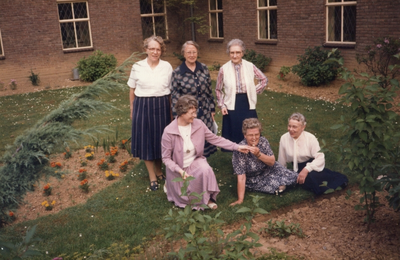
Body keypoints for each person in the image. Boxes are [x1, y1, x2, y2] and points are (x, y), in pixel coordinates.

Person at [162, 95, 252, 210]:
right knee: (184, 198)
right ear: (182, 112)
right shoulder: (169, 132)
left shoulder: (199, 124)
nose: (195, 115)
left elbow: (216, 139)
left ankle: (207, 198)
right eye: (192, 113)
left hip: (194, 162)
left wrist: (236, 147)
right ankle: (171, 185)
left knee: (205, 168)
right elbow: (165, 158)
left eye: (195, 112)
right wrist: (180, 171)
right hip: (177, 170)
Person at [127, 35, 173, 191]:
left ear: (162, 51)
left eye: (158, 49)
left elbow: (171, 91)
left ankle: (160, 170)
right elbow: (132, 89)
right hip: (143, 105)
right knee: (147, 140)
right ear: (146, 49)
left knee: (162, 140)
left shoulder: (167, 66)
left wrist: (172, 111)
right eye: (152, 48)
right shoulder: (137, 66)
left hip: (162, 105)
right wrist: (132, 109)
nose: (155, 52)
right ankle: (152, 176)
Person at [230, 118, 298, 206]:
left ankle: (284, 184)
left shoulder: (263, 141)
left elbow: (272, 162)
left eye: (257, 134)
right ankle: (281, 186)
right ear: (245, 135)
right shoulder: (240, 150)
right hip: (254, 178)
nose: (254, 138)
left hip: (270, 168)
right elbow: (241, 177)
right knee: (277, 186)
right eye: (251, 135)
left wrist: (259, 154)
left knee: (295, 177)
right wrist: (240, 200)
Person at [278, 113, 349, 195]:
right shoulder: (284, 138)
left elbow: (320, 158)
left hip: (311, 166)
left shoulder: (310, 138)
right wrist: (282, 176)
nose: (290, 129)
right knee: (296, 181)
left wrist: (306, 169)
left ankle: (339, 180)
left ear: (303, 127)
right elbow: (281, 161)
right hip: (295, 168)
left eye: (294, 127)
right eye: (289, 126)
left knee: (311, 179)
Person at [216, 39, 268, 147]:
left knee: (251, 132)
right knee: (235, 134)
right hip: (231, 105)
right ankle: (237, 158)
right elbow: (218, 89)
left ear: (242, 53)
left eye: (238, 52)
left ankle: (252, 156)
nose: (235, 56)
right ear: (229, 53)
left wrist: (253, 91)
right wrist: (222, 105)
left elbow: (264, 80)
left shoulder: (250, 66)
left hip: (247, 103)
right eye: (232, 53)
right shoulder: (223, 69)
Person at [171, 41, 217, 157]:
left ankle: (203, 165)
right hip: (188, 113)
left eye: (194, 52)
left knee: (204, 137)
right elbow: (175, 96)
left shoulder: (204, 69)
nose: (192, 55)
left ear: (197, 53)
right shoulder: (177, 73)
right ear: (184, 54)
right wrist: (178, 115)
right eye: (188, 52)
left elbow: (208, 91)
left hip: (205, 111)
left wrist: (212, 109)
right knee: (190, 140)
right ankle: (190, 165)